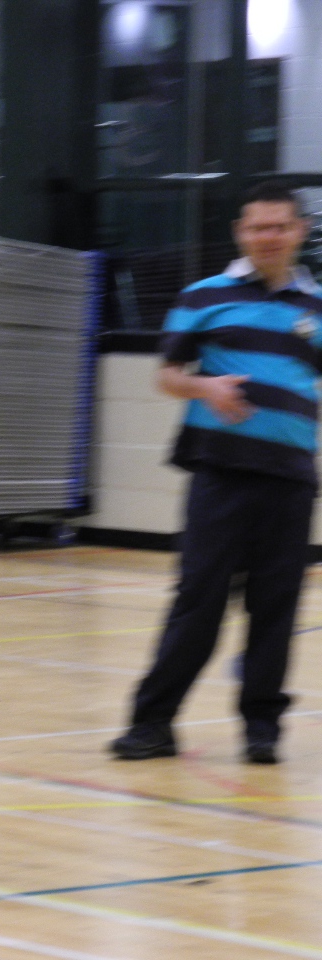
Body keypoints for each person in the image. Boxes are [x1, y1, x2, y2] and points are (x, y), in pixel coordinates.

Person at [111, 181, 321, 765]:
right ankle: (153, 724)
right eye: (258, 227)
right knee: (197, 601)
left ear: (299, 231)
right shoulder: (203, 296)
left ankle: (262, 729)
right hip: (220, 475)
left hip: (291, 479)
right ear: (240, 232)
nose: (268, 237)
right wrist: (205, 387)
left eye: (279, 226)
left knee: (275, 608)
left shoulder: (316, 307)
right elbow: (167, 375)